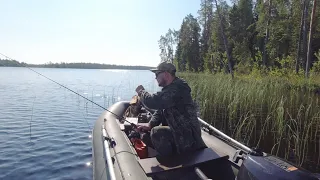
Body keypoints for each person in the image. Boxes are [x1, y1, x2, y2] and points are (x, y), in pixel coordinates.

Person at [135, 62, 207, 156]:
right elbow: (160, 109)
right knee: (146, 135)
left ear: (165, 74)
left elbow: (152, 101)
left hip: (188, 137)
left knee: (156, 133)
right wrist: (150, 125)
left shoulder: (177, 89)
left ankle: (171, 161)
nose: (155, 78)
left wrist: (141, 92)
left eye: (157, 74)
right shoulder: (170, 89)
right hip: (181, 132)